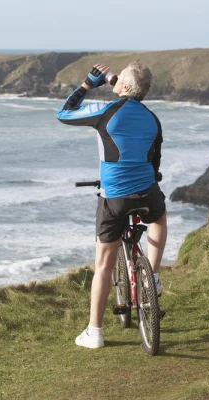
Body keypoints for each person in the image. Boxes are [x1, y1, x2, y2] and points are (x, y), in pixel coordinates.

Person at [56, 62, 167, 349]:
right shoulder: (152, 118)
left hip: (115, 198)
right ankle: (152, 277)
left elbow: (64, 114)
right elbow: (154, 161)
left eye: (120, 79)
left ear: (126, 87)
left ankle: (95, 332)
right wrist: (117, 81)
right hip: (148, 192)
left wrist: (86, 85)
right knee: (159, 219)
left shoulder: (106, 112)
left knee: (103, 265)